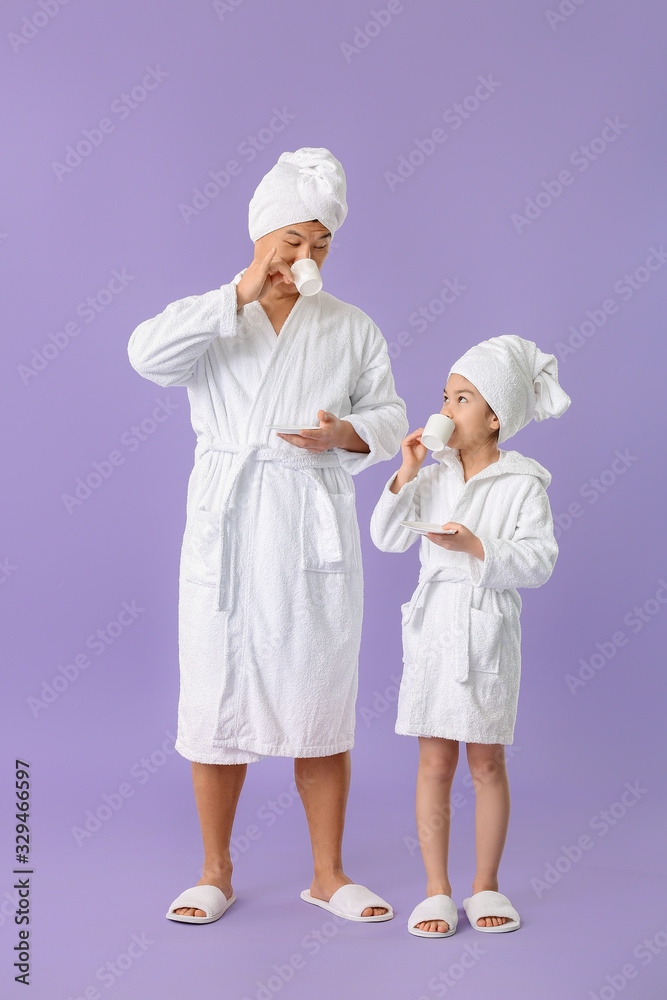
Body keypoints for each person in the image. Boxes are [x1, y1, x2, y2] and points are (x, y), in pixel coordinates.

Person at [127, 147, 407, 925]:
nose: (306, 258)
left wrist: (344, 433)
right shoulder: (216, 315)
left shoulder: (350, 327)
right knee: (216, 698)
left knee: (318, 696)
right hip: (229, 527)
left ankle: (327, 874)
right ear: (260, 235)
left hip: (307, 525)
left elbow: (389, 416)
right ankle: (214, 871)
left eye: (321, 245)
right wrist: (238, 294)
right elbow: (144, 356)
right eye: (293, 242)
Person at [370, 335, 571, 937]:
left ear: (495, 416)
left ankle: (487, 886)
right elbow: (385, 537)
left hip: (486, 633)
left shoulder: (523, 485)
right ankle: (436, 889)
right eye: (445, 397)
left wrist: (477, 547)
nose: (448, 409)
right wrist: (405, 471)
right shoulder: (432, 478)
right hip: (434, 630)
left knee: (486, 761)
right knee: (434, 761)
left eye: (463, 398)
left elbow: (540, 561)